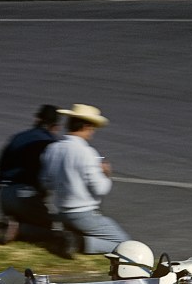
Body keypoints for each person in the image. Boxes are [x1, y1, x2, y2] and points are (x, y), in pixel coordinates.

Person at [40, 103, 131, 254]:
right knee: (126, 245)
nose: (92, 132)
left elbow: (45, 182)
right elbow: (101, 188)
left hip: (61, 212)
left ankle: (70, 237)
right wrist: (106, 174)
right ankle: (78, 242)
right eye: (92, 128)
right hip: (83, 214)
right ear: (86, 127)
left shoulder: (52, 149)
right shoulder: (87, 152)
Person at [0, 105, 77, 254]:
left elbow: (0, 166)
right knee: (53, 227)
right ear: (57, 126)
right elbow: (52, 177)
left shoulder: (18, 137)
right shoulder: (51, 145)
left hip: (4, 194)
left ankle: (11, 224)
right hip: (25, 196)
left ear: (37, 119)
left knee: (36, 213)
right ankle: (18, 229)